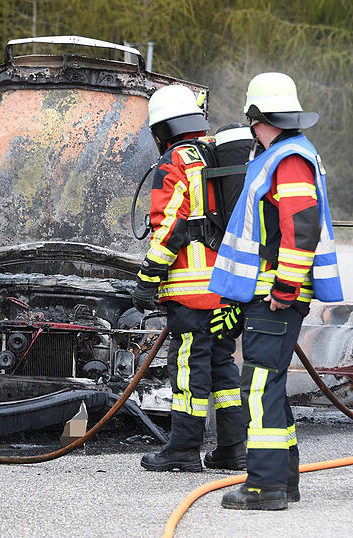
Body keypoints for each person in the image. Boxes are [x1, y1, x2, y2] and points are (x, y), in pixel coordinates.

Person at [209, 72, 343, 510]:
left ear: (258, 118)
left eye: (253, 123)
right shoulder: (282, 156)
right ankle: (283, 480)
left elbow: (300, 228)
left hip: (275, 296)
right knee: (270, 385)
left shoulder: (288, 159)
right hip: (264, 294)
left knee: (259, 385)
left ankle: (264, 487)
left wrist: (285, 289)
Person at [132, 84, 246, 473]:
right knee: (222, 366)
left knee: (187, 368)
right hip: (228, 286)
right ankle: (234, 450)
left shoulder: (175, 162)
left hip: (191, 291)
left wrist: (148, 277)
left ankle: (182, 449)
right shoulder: (220, 155)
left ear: (162, 129)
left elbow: (170, 225)